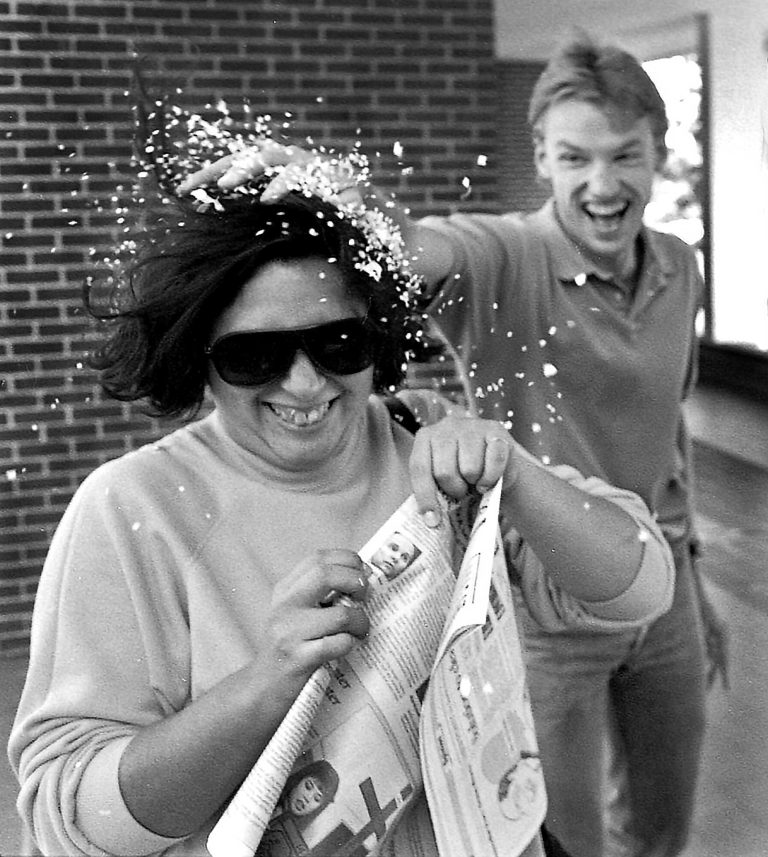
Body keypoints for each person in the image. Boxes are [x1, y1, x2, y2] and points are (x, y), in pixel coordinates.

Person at [8, 95, 676, 857]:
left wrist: (513, 472)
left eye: (339, 343)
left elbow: (638, 588)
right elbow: (74, 820)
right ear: (196, 356)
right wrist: (269, 679)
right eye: (254, 355)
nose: (304, 385)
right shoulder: (133, 507)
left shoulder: (425, 438)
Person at [180, 31, 721, 857]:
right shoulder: (509, 253)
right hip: (543, 605)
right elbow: (409, 249)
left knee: (660, 830)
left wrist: (701, 585)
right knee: (559, 839)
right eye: (575, 157)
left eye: (626, 156)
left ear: (658, 155)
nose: (602, 184)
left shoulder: (680, 266)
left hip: (662, 584)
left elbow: (666, 426)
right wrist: (332, 193)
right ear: (541, 157)